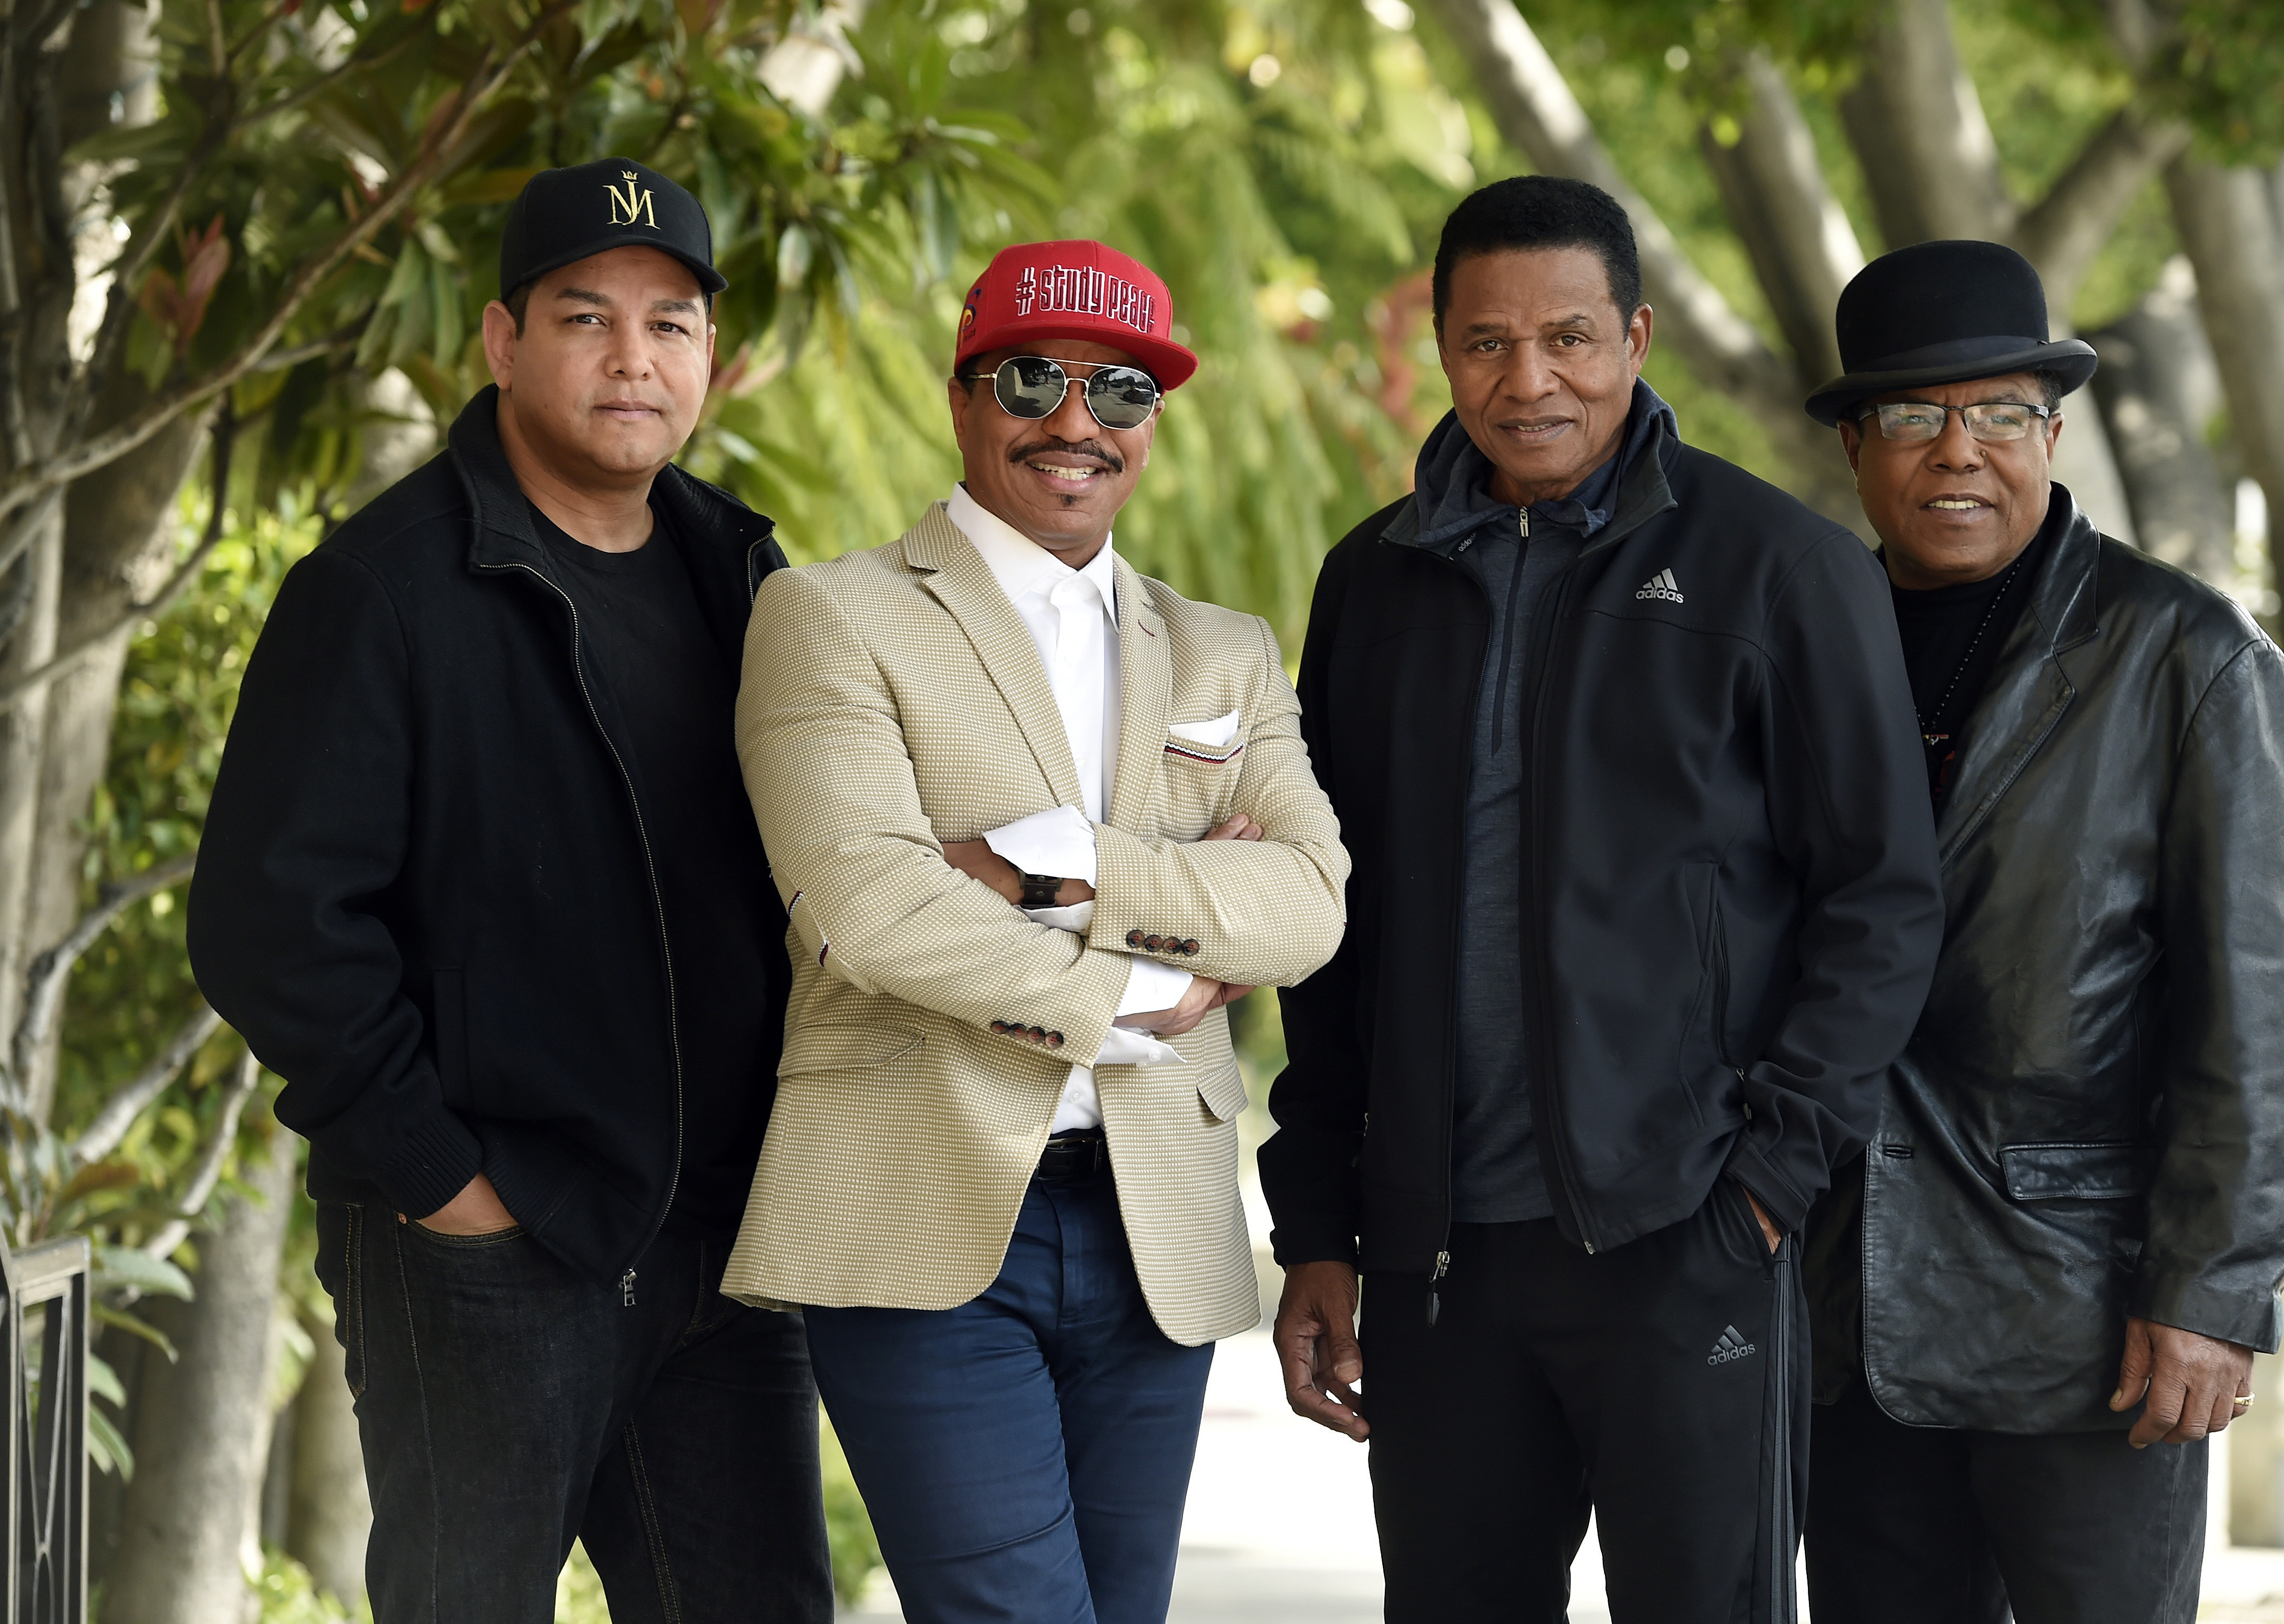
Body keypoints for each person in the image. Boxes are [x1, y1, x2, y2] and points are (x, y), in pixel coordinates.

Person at [1259, 174, 1946, 1623]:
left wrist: (1764, 1185)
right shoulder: (1369, 584)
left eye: (1568, 336)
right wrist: (1322, 1222)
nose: (1530, 381)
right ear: (1441, 347)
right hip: (1439, 1263)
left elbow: (1881, 900)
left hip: (1683, 1240)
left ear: (1634, 335)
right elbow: (1328, 928)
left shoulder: (1782, 570)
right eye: (1486, 344)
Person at [187, 160, 830, 1620]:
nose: (632, 357)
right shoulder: (382, 589)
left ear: (710, 360)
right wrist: (443, 1180)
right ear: (500, 341)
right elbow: (266, 922)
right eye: (585, 316)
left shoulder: (746, 575)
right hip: (491, 1246)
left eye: (671, 325)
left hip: (724, 1245)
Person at [718, 238, 1348, 1624]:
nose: (1077, 421)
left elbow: (1307, 901)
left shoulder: (1221, 650)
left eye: (1120, 390)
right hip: (918, 1207)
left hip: (1151, 1229)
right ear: (963, 395)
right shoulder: (830, 614)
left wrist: (1053, 871)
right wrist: (1146, 988)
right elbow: (873, 909)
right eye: (1033, 378)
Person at [1796, 239, 2284, 1624]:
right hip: (1839, 1313)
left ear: (2051, 428)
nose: (1954, 454)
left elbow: (2254, 1011)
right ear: (1854, 442)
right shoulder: (1794, 646)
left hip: (2088, 1313)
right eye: (1911, 417)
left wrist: (2212, 1289)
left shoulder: (2184, 654)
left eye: (1996, 415)